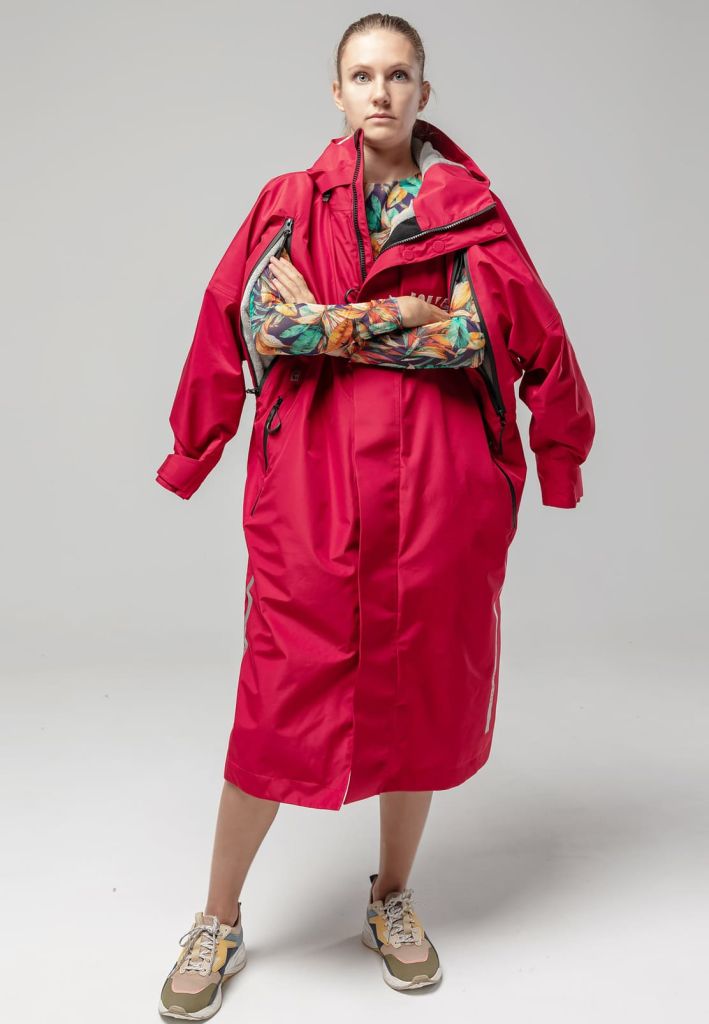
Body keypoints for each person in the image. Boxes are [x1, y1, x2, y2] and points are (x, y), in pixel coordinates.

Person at [156, 13, 595, 1017]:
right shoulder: (287, 203)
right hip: (310, 490)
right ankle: (218, 917)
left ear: (422, 94)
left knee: (417, 697)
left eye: (398, 75)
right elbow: (235, 316)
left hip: (438, 491)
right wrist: (196, 447)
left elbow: (533, 334)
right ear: (338, 93)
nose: (381, 92)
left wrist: (558, 453)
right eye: (362, 75)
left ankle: (391, 897)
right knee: (277, 703)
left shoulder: (472, 213)